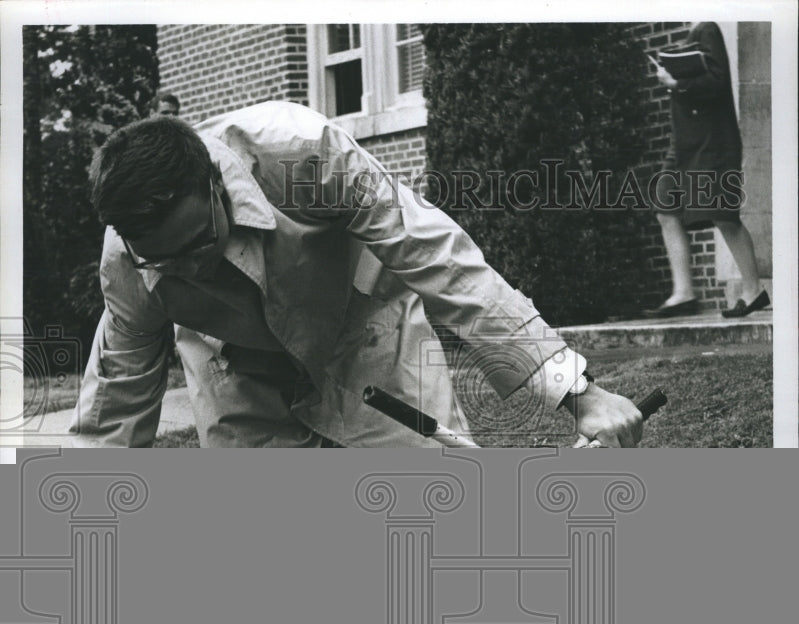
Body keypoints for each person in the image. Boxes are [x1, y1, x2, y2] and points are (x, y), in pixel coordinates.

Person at [69, 101, 642, 448]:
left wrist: (578, 394)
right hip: (234, 366)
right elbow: (115, 404)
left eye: (199, 242)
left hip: (366, 333)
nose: (192, 267)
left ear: (214, 184)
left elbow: (438, 259)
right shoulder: (127, 265)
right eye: (166, 260)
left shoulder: (304, 155)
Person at [648, 22, 769, 319]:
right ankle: (683, 293)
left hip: (711, 143)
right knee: (665, 207)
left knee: (722, 215)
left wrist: (675, 83)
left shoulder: (708, 28)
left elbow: (716, 80)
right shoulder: (696, 33)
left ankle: (753, 291)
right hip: (685, 145)